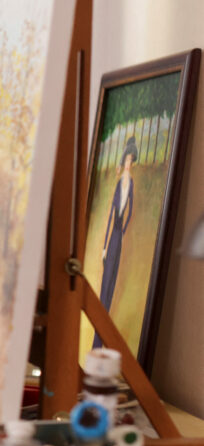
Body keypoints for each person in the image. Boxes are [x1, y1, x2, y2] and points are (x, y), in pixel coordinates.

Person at [93, 135, 136, 349]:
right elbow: (112, 214)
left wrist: (124, 229)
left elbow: (131, 210)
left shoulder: (131, 184)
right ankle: (96, 340)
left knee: (113, 282)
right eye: (127, 160)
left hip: (119, 236)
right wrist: (103, 247)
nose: (129, 163)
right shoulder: (120, 183)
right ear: (123, 161)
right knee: (105, 282)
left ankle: (102, 338)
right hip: (112, 238)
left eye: (131, 160)